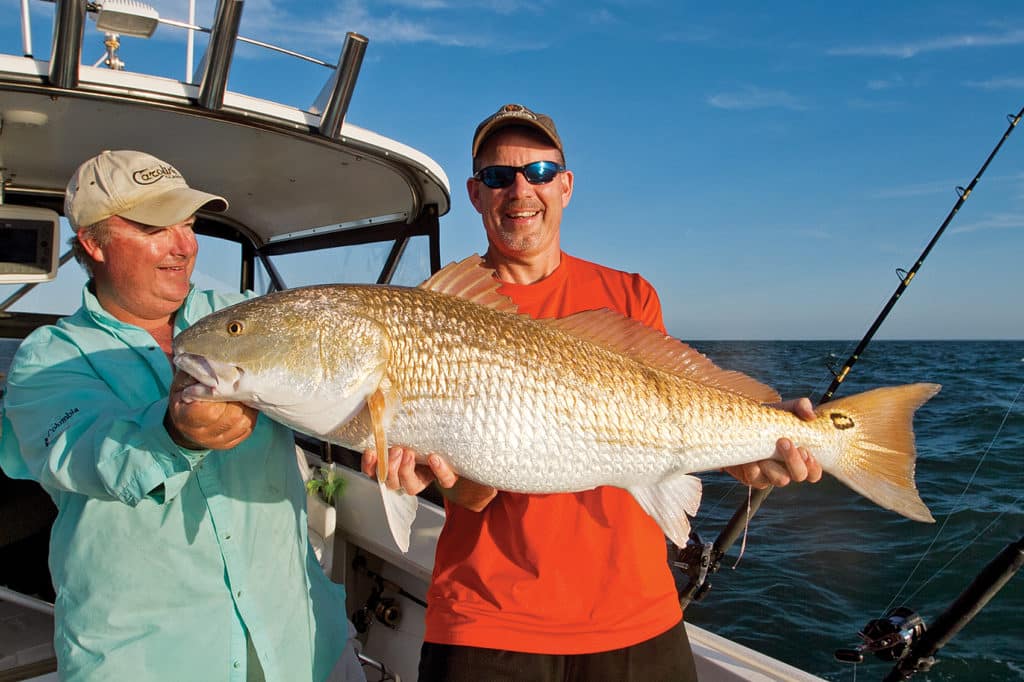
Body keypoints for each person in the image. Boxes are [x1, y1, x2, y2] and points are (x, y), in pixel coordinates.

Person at [362, 103, 824, 681]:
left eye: (540, 172)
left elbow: (668, 422)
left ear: (566, 186)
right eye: (499, 177)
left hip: (637, 621)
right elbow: (474, 495)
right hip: (487, 625)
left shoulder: (628, 295)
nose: (521, 190)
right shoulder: (441, 313)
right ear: (476, 193)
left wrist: (753, 443)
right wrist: (431, 478)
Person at [0, 150, 360, 681]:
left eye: (188, 225)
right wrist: (174, 434)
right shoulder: (48, 357)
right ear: (93, 243)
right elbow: (81, 451)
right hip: (151, 661)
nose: (184, 246)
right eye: (154, 228)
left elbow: (334, 388)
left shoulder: (242, 314)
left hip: (304, 644)